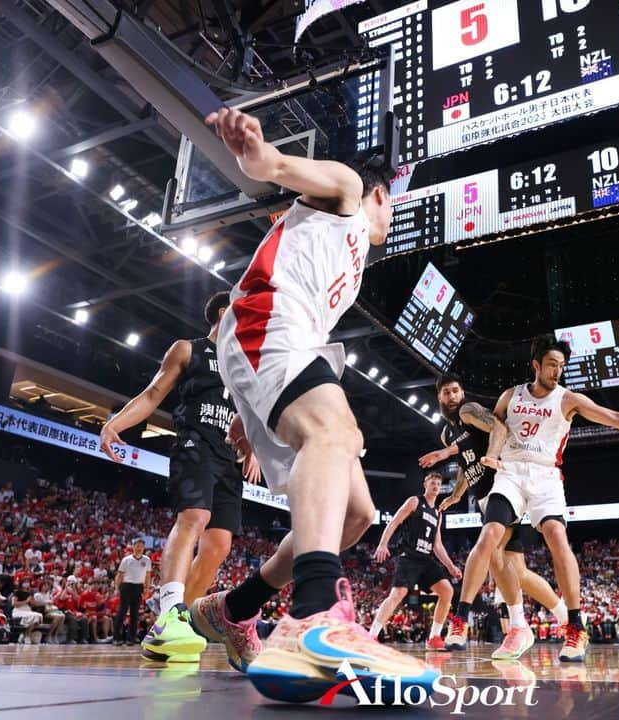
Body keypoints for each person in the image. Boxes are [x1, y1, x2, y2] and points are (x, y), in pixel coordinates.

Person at [188, 105, 437, 702]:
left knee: (354, 516)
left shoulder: (350, 265)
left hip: (279, 342)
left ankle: (235, 607)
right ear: (379, 192)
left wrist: (253, 413)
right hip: (264, 320)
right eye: (393, 202)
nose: (393, 213)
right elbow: (274, 166)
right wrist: (255, 152)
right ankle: (315, 611)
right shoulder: (350, 190)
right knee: (335, 432)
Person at [445, 335, 619, 662]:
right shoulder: (510, 396)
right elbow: (494, 429)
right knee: (489, 536)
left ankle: (575, 627)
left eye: (561, 366)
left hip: (546, 476)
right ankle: (460, 618)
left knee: (556, 535)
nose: (557, 371)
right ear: (535, 365)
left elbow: (615, 418)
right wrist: (484, 457)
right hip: (510, 474)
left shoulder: (568, 400)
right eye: (552, 365)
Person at [100, 292, 258, 663]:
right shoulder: (188, 349)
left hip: (229, 458)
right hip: (195, 442)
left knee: (220, 546)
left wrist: (253, 451)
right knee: (195, 518)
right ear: (224, 311)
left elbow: (250, 418)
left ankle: (178, 625)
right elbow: (153, 392)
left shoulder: (245, 366)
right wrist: (115, 423)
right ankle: (169, 609)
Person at [423, 373, 568, 659]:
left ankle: (510, 625)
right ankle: (565, 617)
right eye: (446, 393)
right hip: (483, 497)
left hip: (505, 486)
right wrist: (456, 494)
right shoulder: (446, 432)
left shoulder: (468, 411)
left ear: (462, 392)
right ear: (439, 397)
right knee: (518, 571)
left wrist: (489, 459)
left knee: (493, 550)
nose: (452, 396)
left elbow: (499, 429)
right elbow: (467, 465)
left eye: (455, 390)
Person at [369, 472, 462, 650]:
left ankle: (434, 638)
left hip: (426, 559)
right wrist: (383, 544)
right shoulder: (414, 501)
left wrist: (450, 566)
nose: (435, 486)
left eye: (438, 483)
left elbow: (437, 544)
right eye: (432, 482)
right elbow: (394, 522)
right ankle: (372, 634)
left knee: (447, 591)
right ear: (425, 485)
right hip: (409, 555)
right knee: (398, 594)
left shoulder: (437, 513)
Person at [113, 539, 152, 646]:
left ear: (144, 548)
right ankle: (116, 638)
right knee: (122, 612)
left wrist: (147, 589)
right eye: (137, 546)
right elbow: (119, 575)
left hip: (139, 587)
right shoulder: (126, 559)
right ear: (133, 547)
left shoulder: (147, 560)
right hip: (126, 586)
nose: (139, 548)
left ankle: (131, 638)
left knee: (135, 614)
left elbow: (148, 576)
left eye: (141, 546)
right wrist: (116, 588)